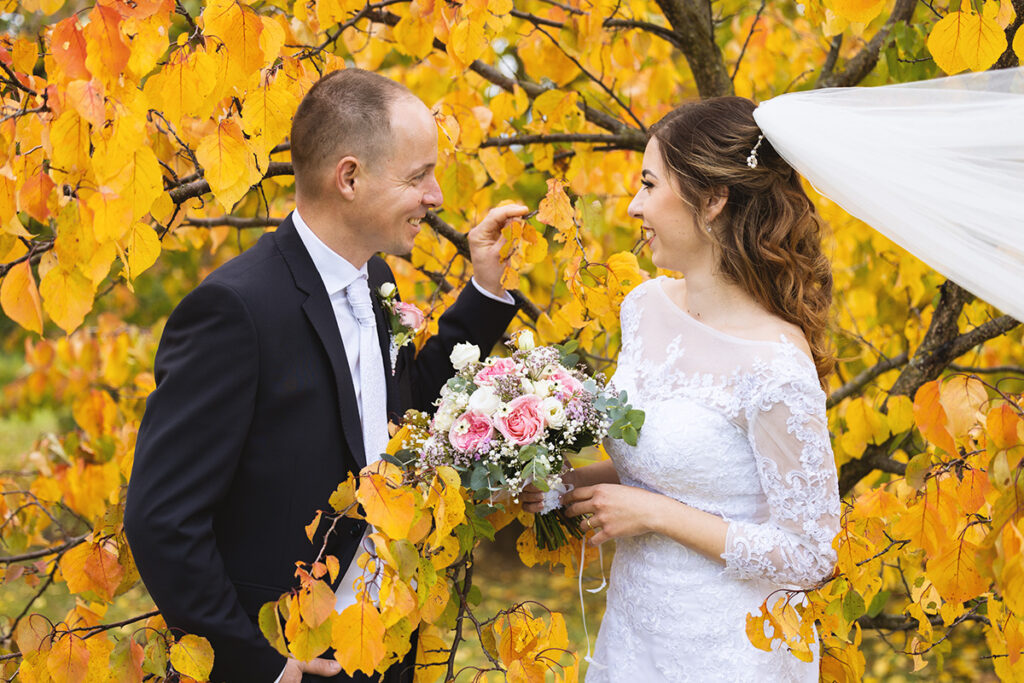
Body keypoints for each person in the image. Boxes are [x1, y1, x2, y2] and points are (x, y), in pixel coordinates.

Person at [124, 68, 527, 683]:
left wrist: (484, 292)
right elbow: (161, 518)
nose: (437, 196)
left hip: (378, 649)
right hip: (285, 655)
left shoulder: (377, 282)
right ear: (349, 177)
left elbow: (399, 414)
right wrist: (260, 666)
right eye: (418, 175)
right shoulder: (235, 311)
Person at [523, 96, 841, 680]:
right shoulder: (641, 307)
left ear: (713, 200)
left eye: (649, 184)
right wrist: (552, 486)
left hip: (727, 651)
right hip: (635, 638)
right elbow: (658, 466)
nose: (633, 205)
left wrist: (656, 515)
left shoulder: (775, 365)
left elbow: (811, 556)